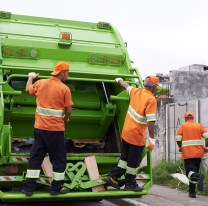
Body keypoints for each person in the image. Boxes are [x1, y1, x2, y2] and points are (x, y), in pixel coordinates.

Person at [21, 62, 73, 196]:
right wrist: (66, 119)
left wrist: (31, 77)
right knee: (58, 158)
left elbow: (27, 90)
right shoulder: (64, 89)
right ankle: (56, 188)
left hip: (40, 129)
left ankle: (28, 188)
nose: (67, 76)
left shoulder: (40, 83)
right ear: (61, 73)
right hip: (56, 130)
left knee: (36, 157)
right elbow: (68, 110)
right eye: (67, 73)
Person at [105, 75, 158, 191]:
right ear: (154, 87)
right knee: (133, 162)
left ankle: (113, 177)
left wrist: (119, 80)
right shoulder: (151, 100)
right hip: (136, 135)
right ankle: (130, 184)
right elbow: (150, 121)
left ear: (144, 84)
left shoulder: (136, 92)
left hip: (126, 132)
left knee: (124, 159)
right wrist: (152, 138)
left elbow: (126, 86)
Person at [176, 111, 208, 198]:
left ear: (185, 118)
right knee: (194, 172)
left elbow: (178, 139)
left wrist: (180, 146)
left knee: (189, 173)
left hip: (188, 153)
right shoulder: (199, 126)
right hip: (198, 153)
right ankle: (192, 192)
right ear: (193, 118)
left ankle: (199, 176)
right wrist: (206, 145)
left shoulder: (182, 126)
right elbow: (207, 137)